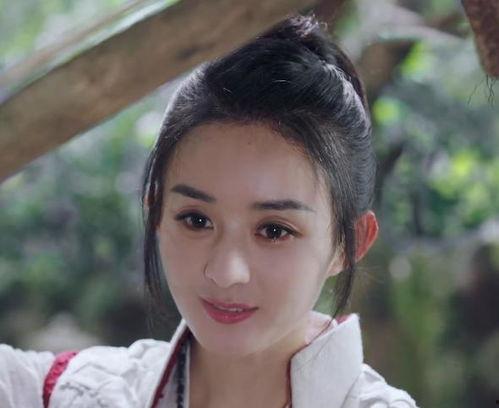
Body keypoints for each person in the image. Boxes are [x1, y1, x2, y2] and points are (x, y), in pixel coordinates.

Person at [0, 14, 418, 408]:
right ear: (156, 212)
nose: (225, 271)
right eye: (196, 220)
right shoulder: (68, 393)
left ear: (349, 242)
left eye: (274, 230)